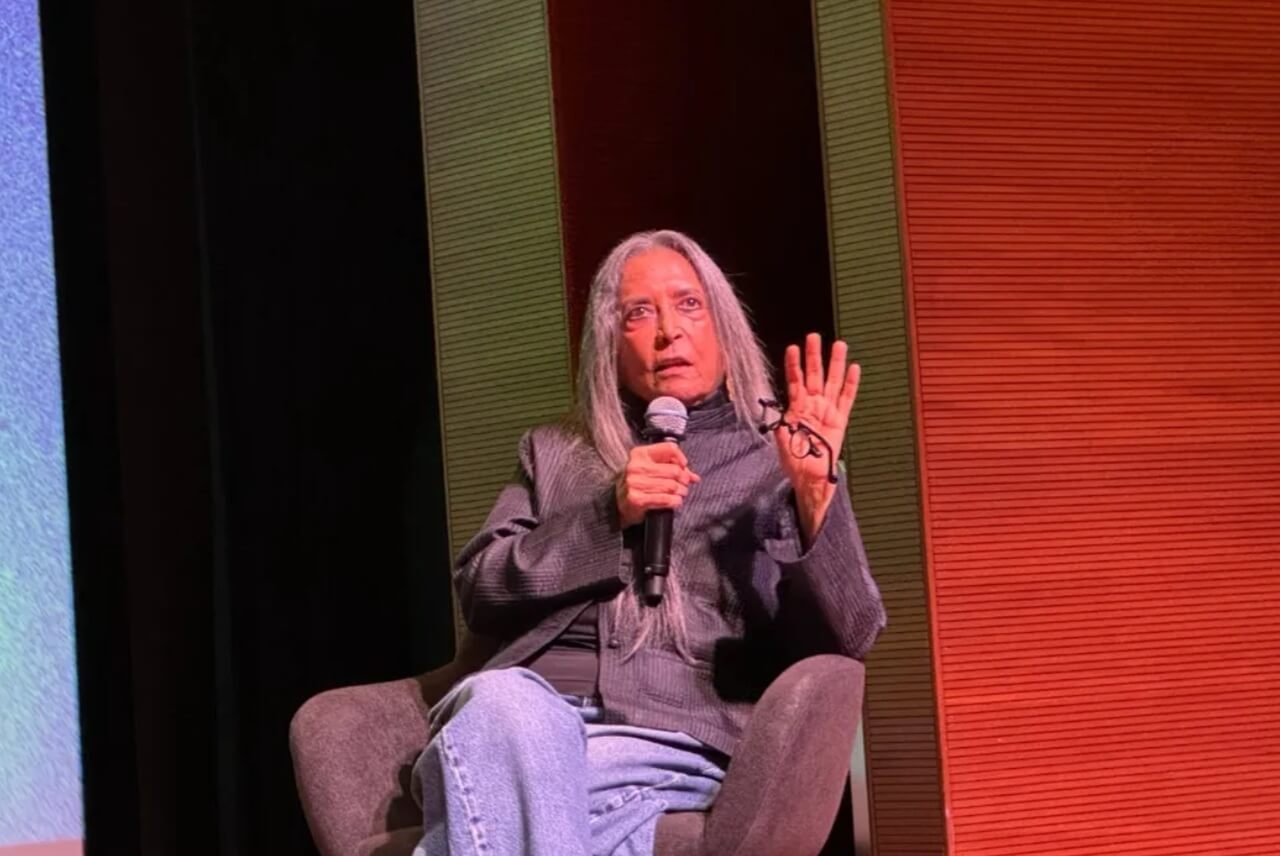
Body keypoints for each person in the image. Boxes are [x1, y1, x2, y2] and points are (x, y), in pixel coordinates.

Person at [411, 229, 886, 856]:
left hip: (668, 740)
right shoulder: (556, 454)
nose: (668, 331)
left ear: (723, 326)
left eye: (689, 304)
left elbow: (848, 638)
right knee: (506, 708)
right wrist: (607, 514)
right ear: (610, 344)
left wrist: (816, 496)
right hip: (518, 717)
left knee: (489, 781)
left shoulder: (776, 459)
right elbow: (481, 589)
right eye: (639, 313)